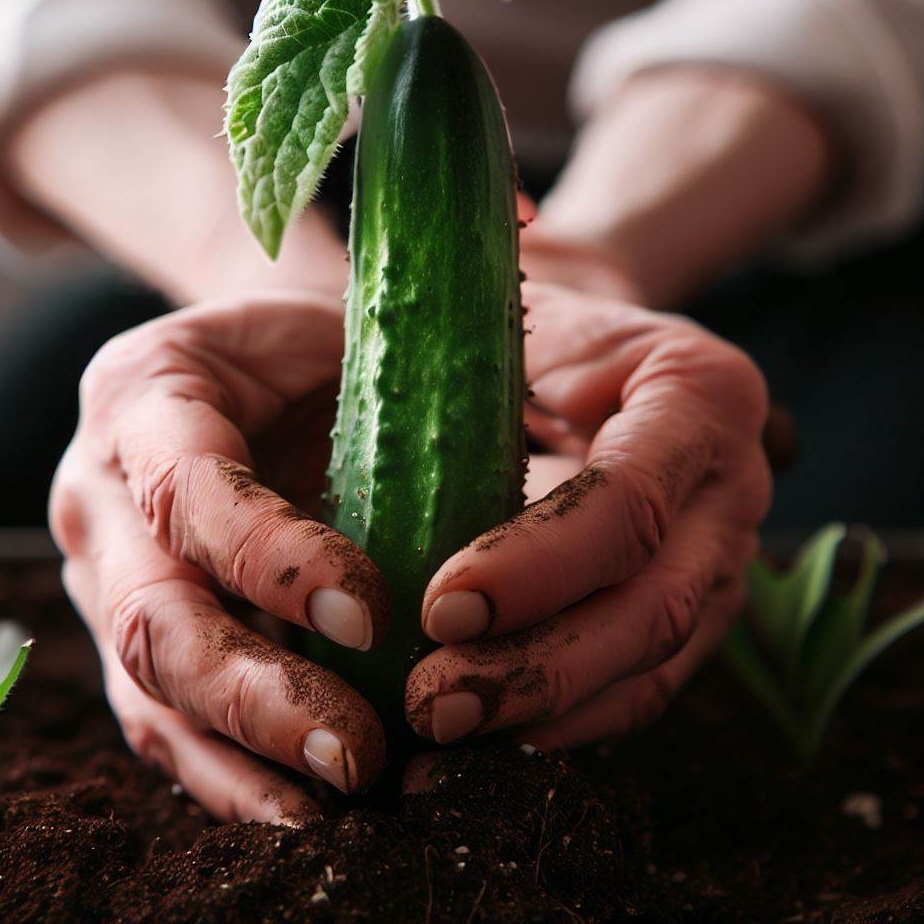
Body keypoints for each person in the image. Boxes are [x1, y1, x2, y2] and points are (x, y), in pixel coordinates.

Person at [0, 0, 920, 824]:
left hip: (759, 184)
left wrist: (591, 261)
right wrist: (260, 273)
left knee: (867, 486)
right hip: (236, 179)